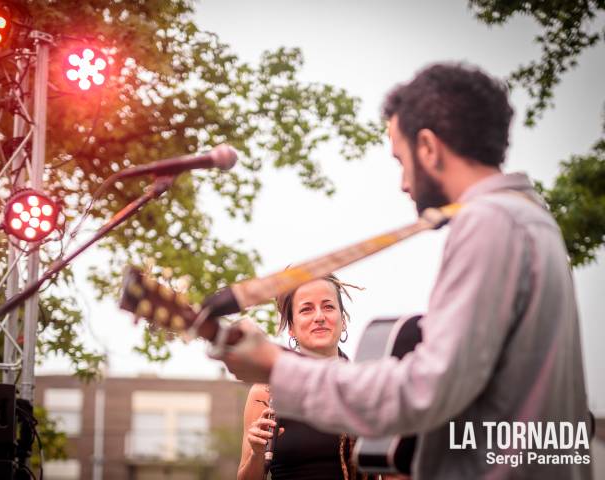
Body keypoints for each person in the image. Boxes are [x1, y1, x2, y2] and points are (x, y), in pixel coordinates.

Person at [220, 62, 592, 479]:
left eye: (401, 159)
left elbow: (424, 391)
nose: (402, 183)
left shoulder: (489, 223)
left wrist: (278, 367)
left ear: (429, 147)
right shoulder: (533, 219)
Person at [237, 274, 361, 480]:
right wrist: (257, 454)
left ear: (344, 320)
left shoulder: (365, 387)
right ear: (292, 328)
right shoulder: (267, 392)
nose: (319, 316)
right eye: (306, 309)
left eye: (328, 307)